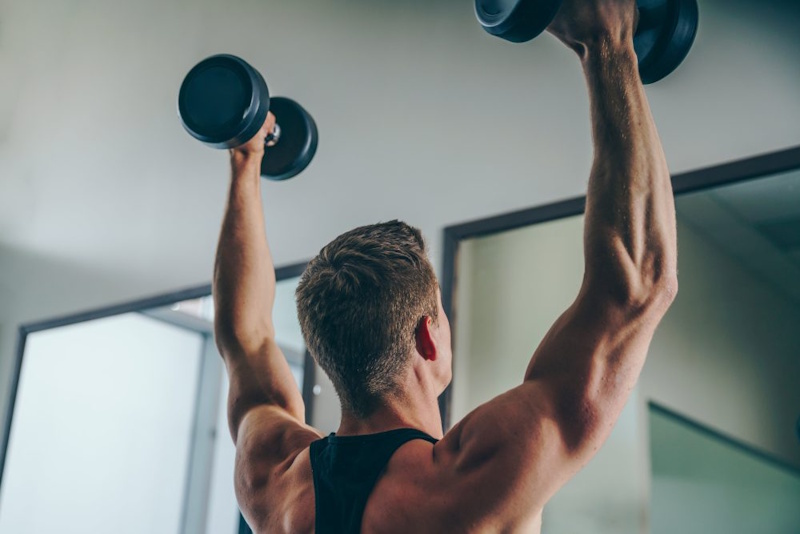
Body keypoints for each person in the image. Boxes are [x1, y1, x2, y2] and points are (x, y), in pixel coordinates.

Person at [212, 0, 678, 531]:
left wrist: (245, 159)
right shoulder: (471, 482)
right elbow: (636, 284)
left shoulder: (274, 482)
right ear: (428, 337)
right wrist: (609, 46)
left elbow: (243, 338)